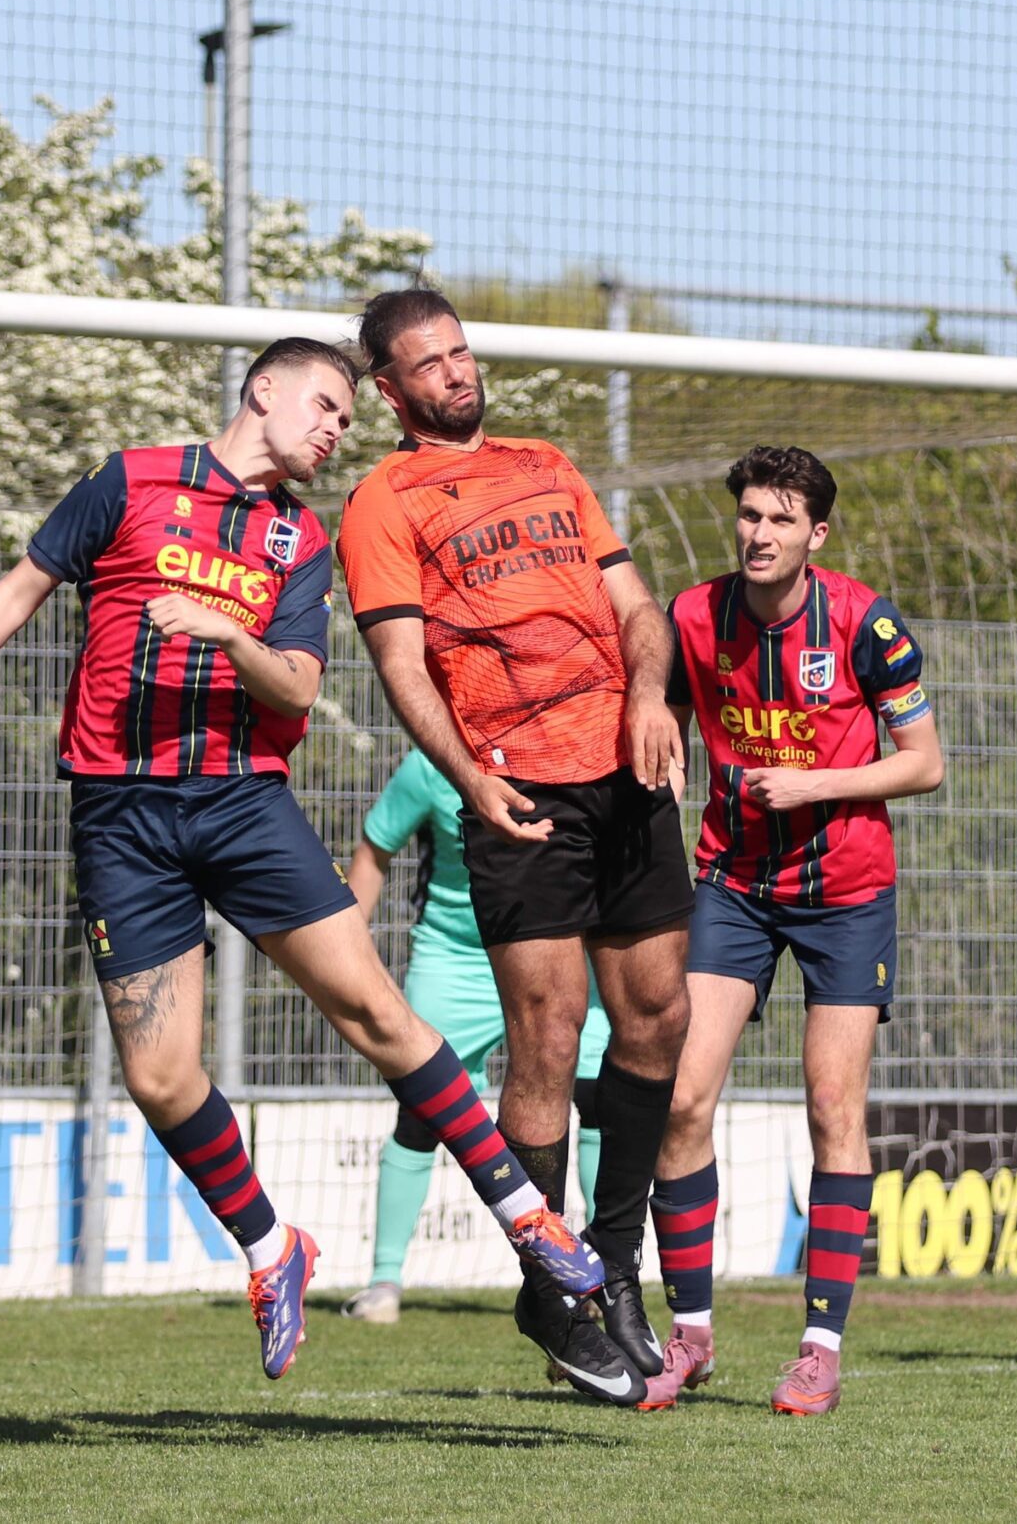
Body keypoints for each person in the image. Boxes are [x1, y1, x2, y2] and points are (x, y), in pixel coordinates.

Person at [0, 337, 599, 1384]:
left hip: (241, 805)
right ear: (263, 390)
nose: (336, 428)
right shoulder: (130, 481)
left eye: (347, 417)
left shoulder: (298, 540)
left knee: (377, 1015)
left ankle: (530, 1218)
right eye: (325, 405)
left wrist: (225, 631)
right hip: (120, 816)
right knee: (158, 1075)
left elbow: (300, 686)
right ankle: (272, 1249)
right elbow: (23, 584)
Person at [338, 286, 692, 1407]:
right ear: (390, 391)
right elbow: (402, 664)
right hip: (519, 789)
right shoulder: (382, 500)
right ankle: (554, 1287)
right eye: (429, 363)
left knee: (658, 1017)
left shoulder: (549, 464)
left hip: (626, 771)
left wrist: (650, 696)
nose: (456, 371)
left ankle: (612, 1266)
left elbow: (636, 605)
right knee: (546, 1036)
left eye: (460, 351)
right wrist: (469, 777)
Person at [640, 447, 944, 1416]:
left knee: (830, 1105)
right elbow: (668, 720)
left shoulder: (866, 623)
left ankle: (819, 1350)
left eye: (780, 519)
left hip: (846, 892)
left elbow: (924, 762)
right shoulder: (693, 616)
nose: (759, 533)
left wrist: (816, 784)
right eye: (749, 516)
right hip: (731, 883)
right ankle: (690, 1335)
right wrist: (660, 766)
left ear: (817, 533)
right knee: (683, 1096)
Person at [340, 746, 615, 1323]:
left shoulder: (570, 749)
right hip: (456, 959)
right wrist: (345, 959)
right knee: (420, 1113)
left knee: (597, 1099)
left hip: (558, 954)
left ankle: (605, 1277)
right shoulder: (428, 766)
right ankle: (384, 1283)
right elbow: (373, 850)